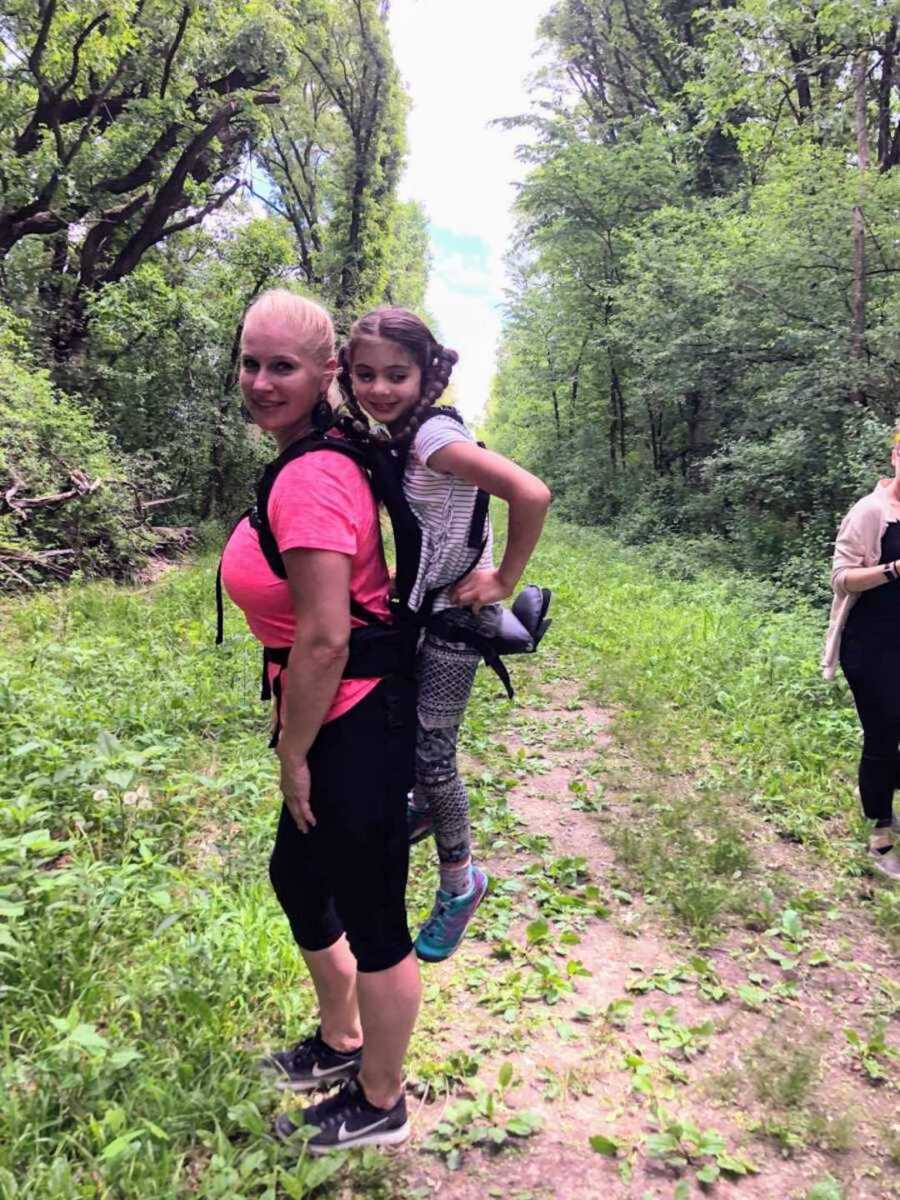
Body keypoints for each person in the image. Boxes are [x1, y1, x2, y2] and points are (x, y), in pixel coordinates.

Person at [219, 289, 420, 1152]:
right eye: (251, 362)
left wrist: (295, 750)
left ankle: (381, 1101)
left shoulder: (312, 475)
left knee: (373, 914)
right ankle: (342, 1042)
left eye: (283, 366)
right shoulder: (311, 452)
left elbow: (328, 637)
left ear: (325, 371)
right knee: (300, 877)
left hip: (353, 722)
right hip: (331, 715)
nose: (262, 381)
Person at [338, 307, 552, 961]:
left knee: (434, 753)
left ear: (425, 373)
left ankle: (461, 884)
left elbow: (531, 493)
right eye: (365, 375)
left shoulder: (430, 436)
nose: (379, 389)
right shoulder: (406, 433)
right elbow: (441, 518)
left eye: (396, 374)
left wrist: (502, 579)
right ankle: (426, 807)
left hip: (458, 618)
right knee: (414, 737)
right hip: (430, 605)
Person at [823, 427, 900, 880]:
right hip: (869, 643)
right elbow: (841, 578)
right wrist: (892, 569)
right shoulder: (871, 512)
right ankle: (880, 834)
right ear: (895, 457)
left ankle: (876, 788)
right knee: (884, 731)